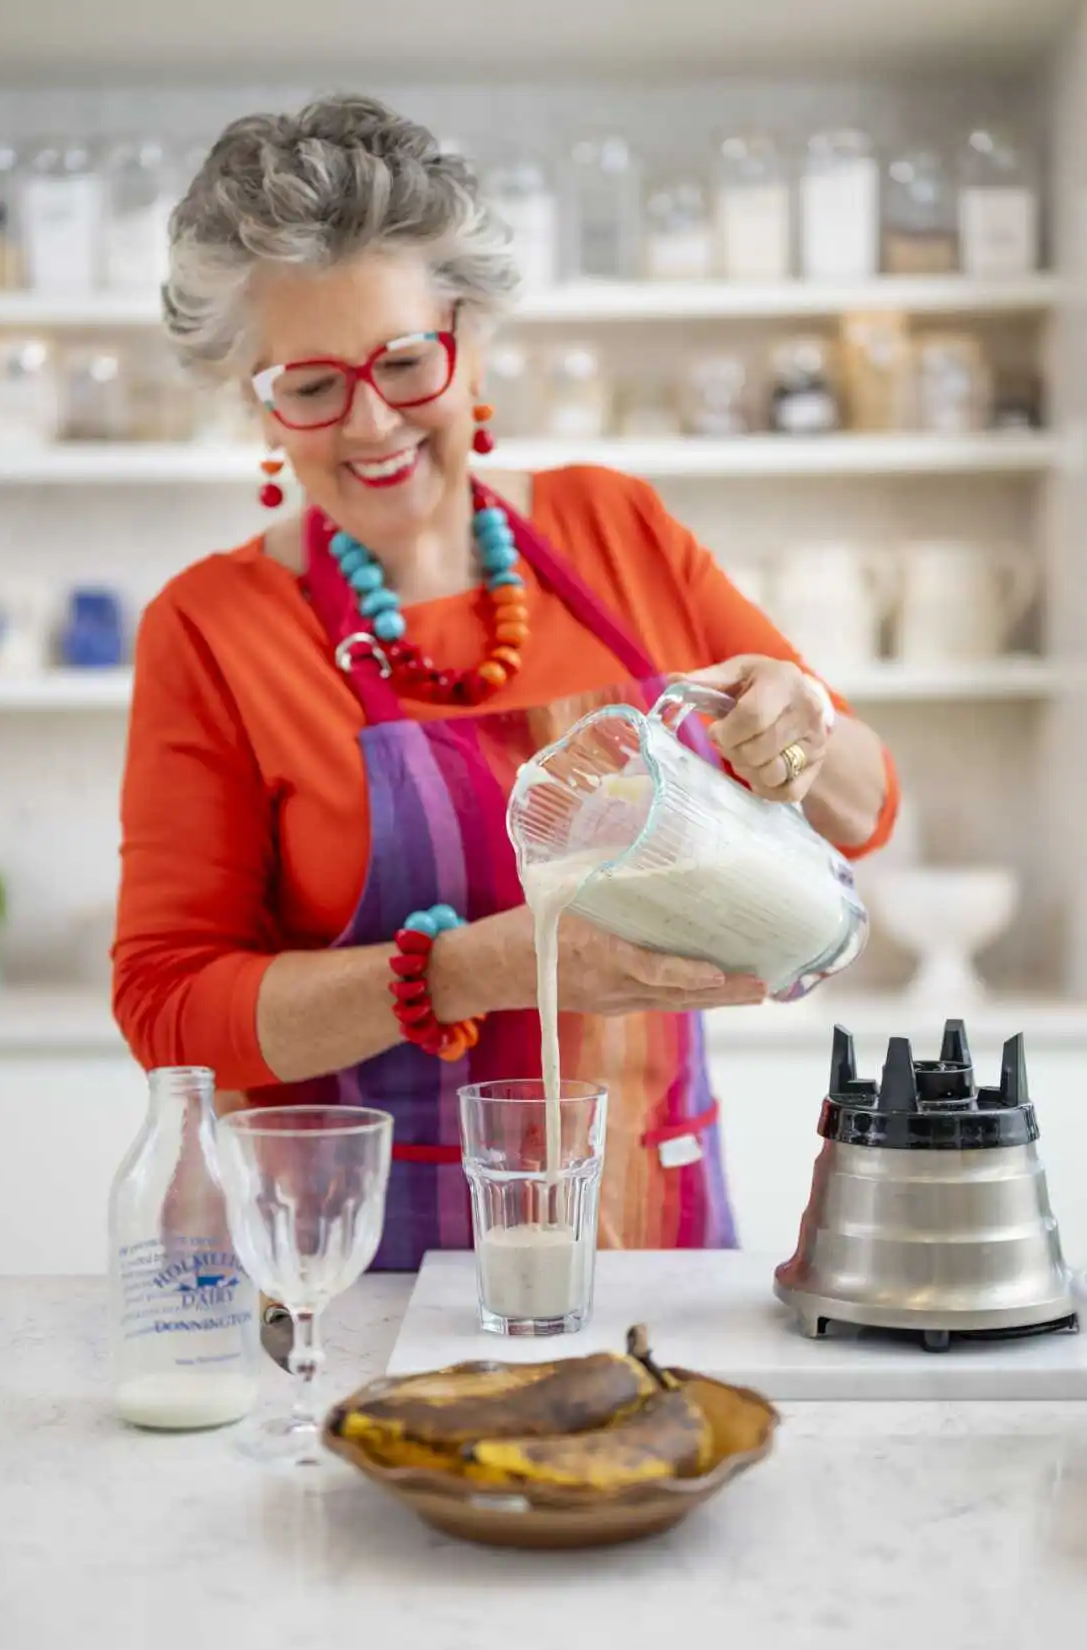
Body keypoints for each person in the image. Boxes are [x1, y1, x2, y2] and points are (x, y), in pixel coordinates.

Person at [112, 94, 899, 1270]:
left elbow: (863, 808)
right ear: (254, 400)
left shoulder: (612, 527)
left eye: (404, 358)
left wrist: (794, 727)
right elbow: (170, 1006)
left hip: (655, 1250)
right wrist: (487, 962)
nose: (369, 423)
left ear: (466, 336)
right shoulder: (214, 627)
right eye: (309, 386)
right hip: (359, 1272)